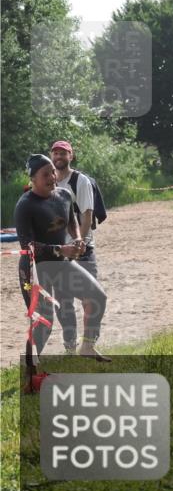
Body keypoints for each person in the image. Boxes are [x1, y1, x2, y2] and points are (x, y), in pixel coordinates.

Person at [15, 154, 110, 381]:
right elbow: (27, 246)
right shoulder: (25, 205)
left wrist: (77, 239)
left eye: (52, 172)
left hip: (62, 264)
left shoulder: (64, 195)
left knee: (97, 296)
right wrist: (60, 249)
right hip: (35, 269)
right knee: (43, 322)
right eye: (45, 174)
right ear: (33, 179)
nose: (51, 177)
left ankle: (87, 347)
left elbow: (71, 220)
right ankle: (29, 375)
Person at [48, 140, 106, 357]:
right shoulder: (48, 181)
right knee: (63, 303)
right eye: (55, 152)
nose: (59, 156)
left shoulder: (79, 181)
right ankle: (70, 348)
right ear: (50, 156)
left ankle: (89, 345)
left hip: (82, 250)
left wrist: (79, 243)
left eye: (63, 153)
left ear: (71, 155)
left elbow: (87, 215)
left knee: (91, 298)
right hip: (58, 253)